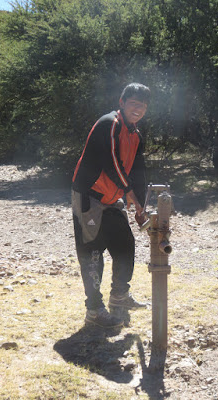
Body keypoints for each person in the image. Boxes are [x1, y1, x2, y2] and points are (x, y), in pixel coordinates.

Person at [72, 83, 150, 328]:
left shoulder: (135, 133)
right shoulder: (110, 124)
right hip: (89, 196)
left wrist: (141, 204)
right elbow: (111, 163)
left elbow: (137, 170)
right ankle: (94, 310)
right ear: (122, 102)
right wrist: (130, 196)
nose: (138, 109)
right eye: (134, 103)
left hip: (110, 198)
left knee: (125, 245)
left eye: (143, 106)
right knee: (93, 253)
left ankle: (119, 296)